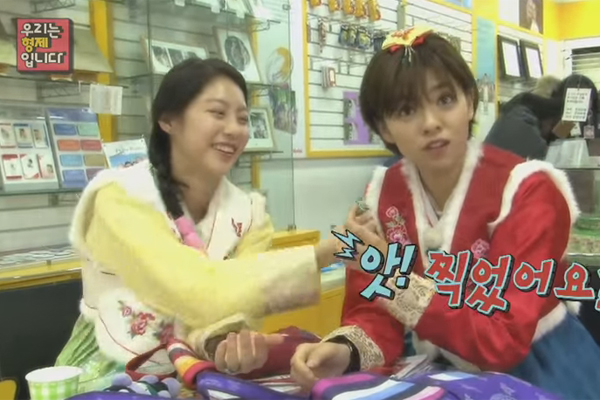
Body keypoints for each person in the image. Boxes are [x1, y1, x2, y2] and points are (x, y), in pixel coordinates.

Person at [290, 27, 600, 399]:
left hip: (537, 370)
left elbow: (502, 337)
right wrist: (344, 351)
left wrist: (390, 275)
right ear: (383, 127)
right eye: (407, 110)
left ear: (470, 102)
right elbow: (374, 313)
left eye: (445, 99)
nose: (431, 122)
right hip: (433, 370)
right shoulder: (383, 195)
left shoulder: (528, 191)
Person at [55, 58, 338, 392]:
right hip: (103, 381)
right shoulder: (118, 196)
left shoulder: (250, 213)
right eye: (217, 113)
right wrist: (323, 255)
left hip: (199, 380)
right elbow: (192, 290)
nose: (234, 129)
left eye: (243, 118)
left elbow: (239, 310)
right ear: (168, 120)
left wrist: (227, 346)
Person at [484, 75, 563, 160]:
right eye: (553, 123)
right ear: (548, 114)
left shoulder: (514, 113)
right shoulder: (526, 128)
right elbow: (550, 159)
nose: (551, 130)